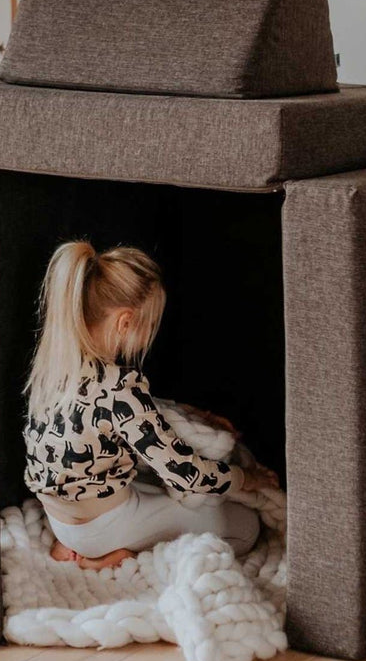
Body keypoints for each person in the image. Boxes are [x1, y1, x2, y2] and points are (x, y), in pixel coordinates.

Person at [23, 240, 278, 570]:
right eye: (150, 324)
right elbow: (188, 476)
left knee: (153, 485)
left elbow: (105, 417)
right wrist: (248, 478)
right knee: (245, 527)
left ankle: (81, 544)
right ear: (125, 322)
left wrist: (193, 414)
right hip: (100, 528)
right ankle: (105, 559)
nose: (150, 336)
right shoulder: (119, 389)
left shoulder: (54, 366)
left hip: (64, 519)